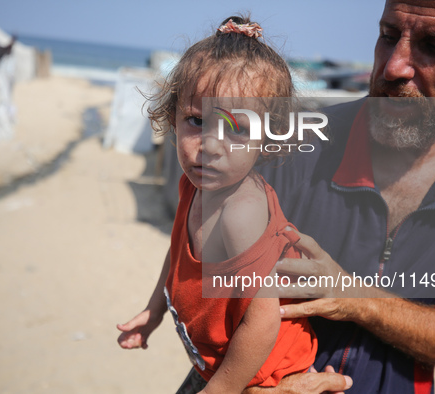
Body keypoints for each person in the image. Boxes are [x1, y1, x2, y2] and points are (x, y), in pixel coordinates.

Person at [242, 0, 435, 392]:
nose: (394, 66)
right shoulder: (288, 147)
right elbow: (198, 292)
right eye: (388, 36)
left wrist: (356, 299)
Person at [117, 16, 324, 393]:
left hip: (263, 377)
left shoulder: (240, 213)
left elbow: (263, 322)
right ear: (172, 118)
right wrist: (154, 311)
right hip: (222, 368)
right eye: (197, 120)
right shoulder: (193, 186)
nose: (211, 145)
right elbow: (178, 254)